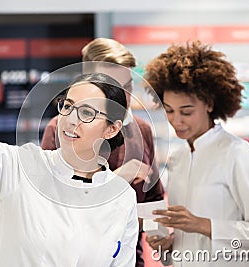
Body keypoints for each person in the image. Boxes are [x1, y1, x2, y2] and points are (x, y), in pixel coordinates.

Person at [0, 12, 139, 267]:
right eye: (67, 106)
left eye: (86, 113)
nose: (70, 120)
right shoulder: (23, 167)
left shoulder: (121, 197)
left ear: (111, 129)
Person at [144, 41, 249, 266]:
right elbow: (186, 241)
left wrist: (202, 225)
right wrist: (168, 246)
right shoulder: (178, 158)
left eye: (186, 111)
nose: (176, 120)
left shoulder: (237, 154)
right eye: (169, 111)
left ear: (209, 104)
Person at [41, 38, 165, 266]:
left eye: (128, 87)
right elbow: (51, 207)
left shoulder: (142, 130)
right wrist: (119, 180)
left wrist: (159, 235)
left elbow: (155, 198)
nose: (124, 98)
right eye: (112, 89)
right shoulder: (60, 130)